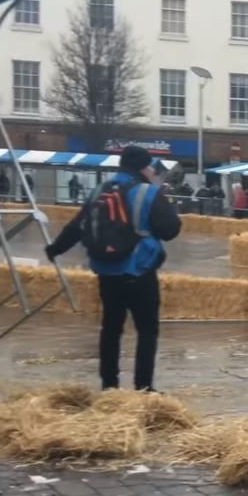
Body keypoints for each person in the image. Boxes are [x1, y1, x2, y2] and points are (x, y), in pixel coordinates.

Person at [45, 146, 181, 392]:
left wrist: (55, 249)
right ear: (143, 167)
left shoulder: (100, 190)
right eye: (149, 166)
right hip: (139, 271)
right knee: (147, 329)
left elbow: (76, 226)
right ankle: (143, 388)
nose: (152, 170)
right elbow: (170, 230)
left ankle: (109, 387)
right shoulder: (147, 193)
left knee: (111, 329)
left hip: (107, 272)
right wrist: (162, 198)